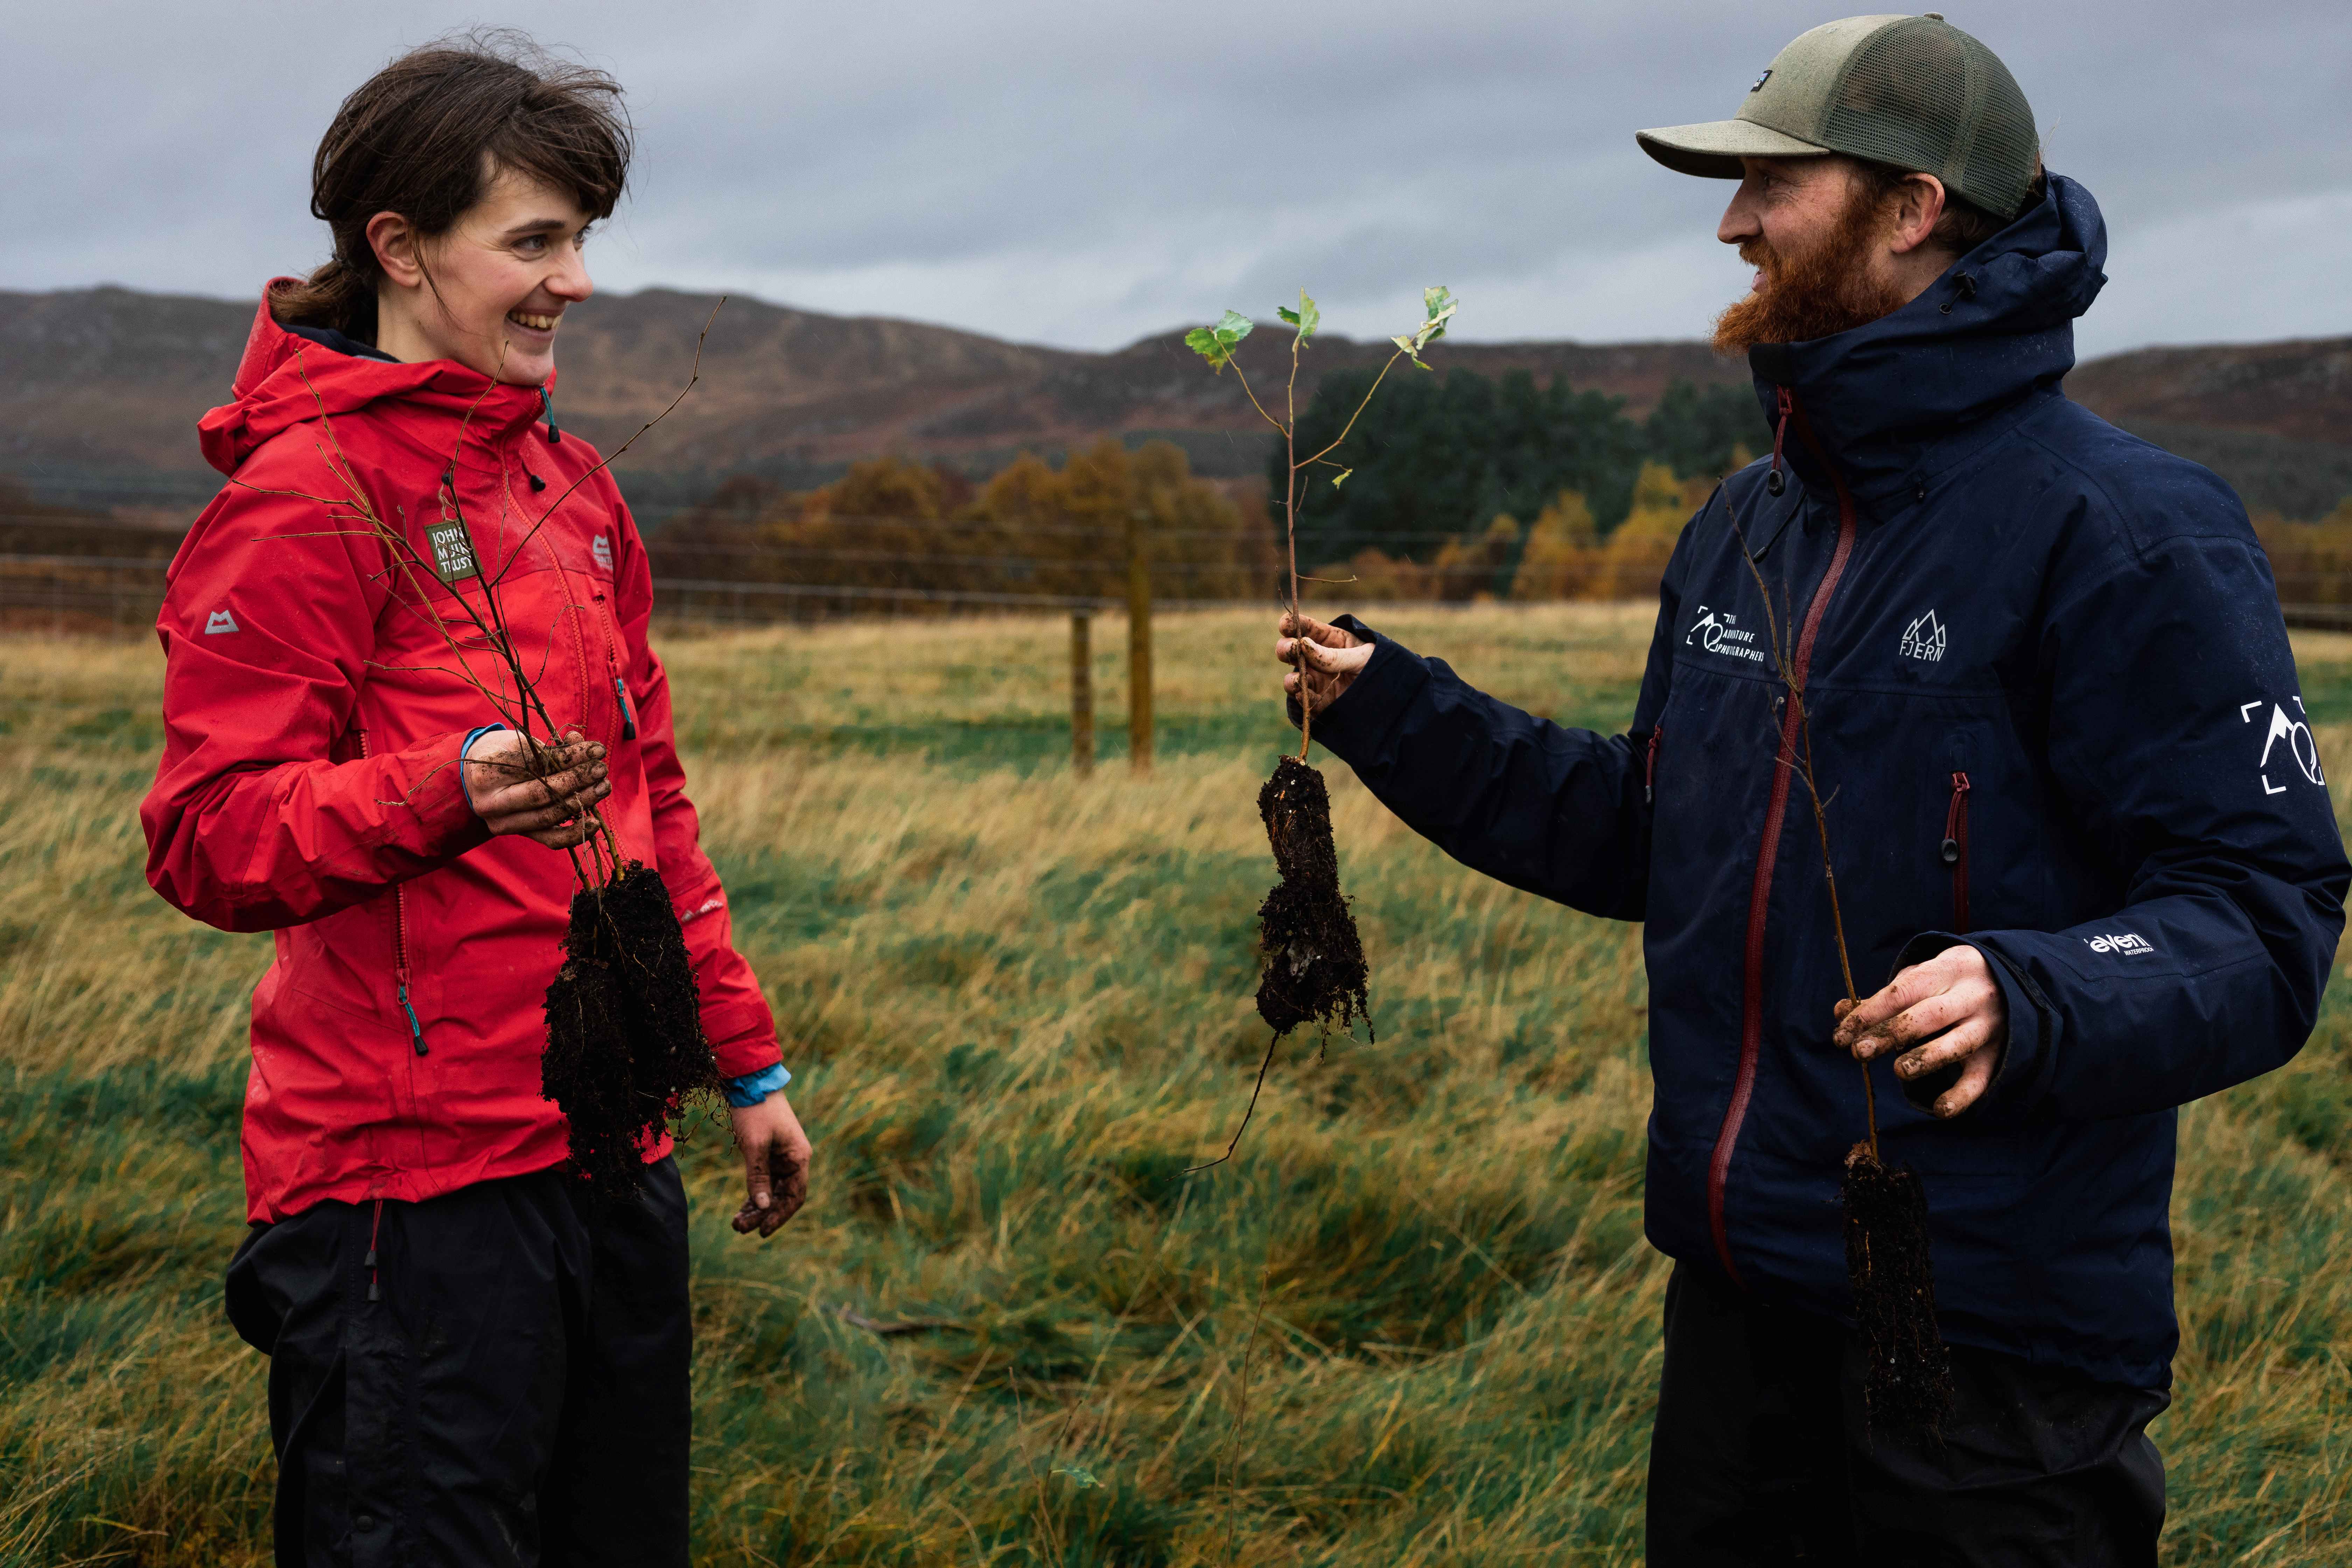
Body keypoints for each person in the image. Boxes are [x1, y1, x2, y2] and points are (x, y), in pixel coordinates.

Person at [1275, 15, 2345, 1565]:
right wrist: (1400, 711)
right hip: (1738, 1317)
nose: (1731, 223)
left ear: (1913, 205)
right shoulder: (1742, 526)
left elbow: (2263, 914)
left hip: (1993, 1360)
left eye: (1775, 181)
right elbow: (1650, 833)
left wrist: (2034, 990)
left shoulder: (2128, 530)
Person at [138, 33, 811, 1567]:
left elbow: (653, 807)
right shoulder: (307, 500)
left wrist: (745, 1067)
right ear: (399, 248)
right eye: (535, 241)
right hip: (411, 1198)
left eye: (580, 240)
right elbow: (207, 832)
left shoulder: (571, 489)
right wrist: (440, 793)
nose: (574, 279)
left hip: (610, 1140)